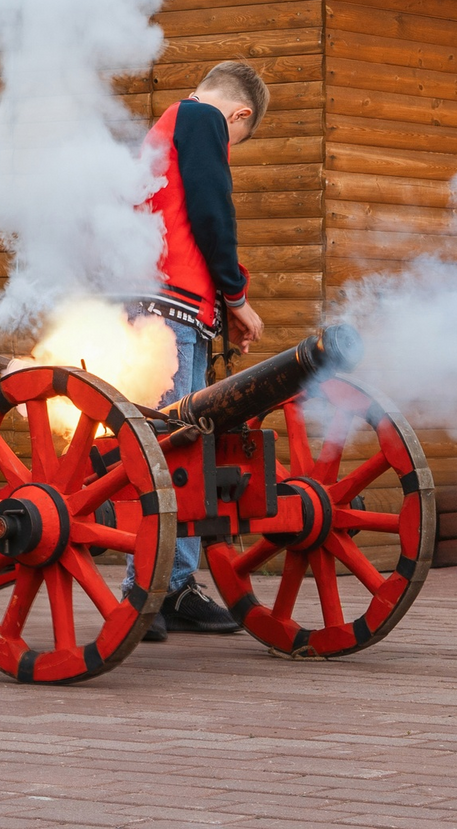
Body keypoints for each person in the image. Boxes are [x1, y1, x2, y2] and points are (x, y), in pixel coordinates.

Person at [130, 61, 269, 641]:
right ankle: (149, 589)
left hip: (174, 303)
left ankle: (175, 585)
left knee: (183, 448)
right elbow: (214, 211)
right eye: (238, 139)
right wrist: (236, 293)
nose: (229, 146)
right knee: (166, 450)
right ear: (238, 115)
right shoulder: (201, 116)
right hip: (169, 305)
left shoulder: (172, 121)